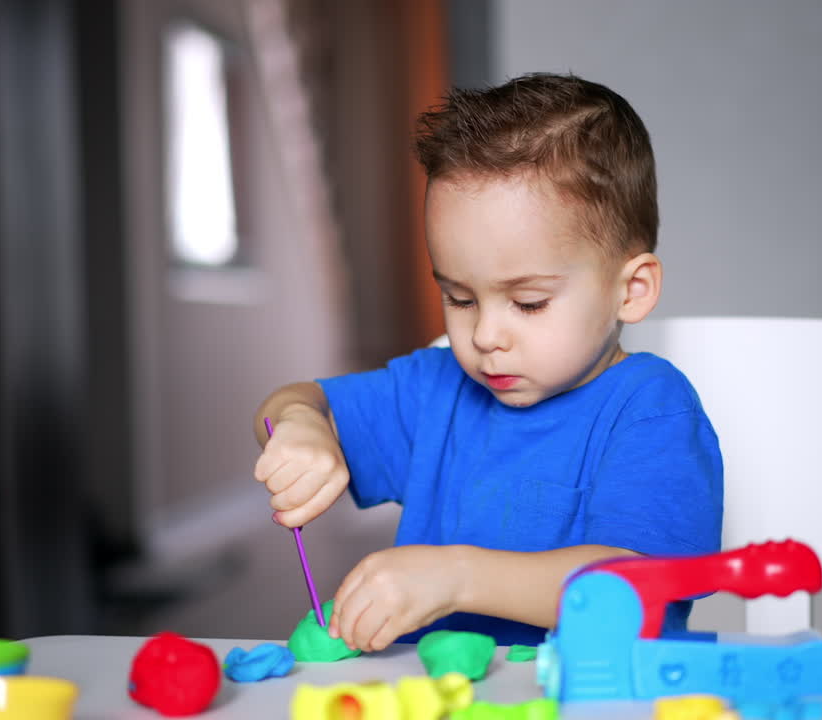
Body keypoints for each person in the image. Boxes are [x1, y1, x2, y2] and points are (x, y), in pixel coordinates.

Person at [253, 72, 722, 652]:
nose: (485, 334)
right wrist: (302, 425)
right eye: (460, 298)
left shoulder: (650, 410)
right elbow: (294, 402)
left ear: (632, 290)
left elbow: (637, 590)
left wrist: (456, 578)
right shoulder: (436, 390)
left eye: (528, 302)